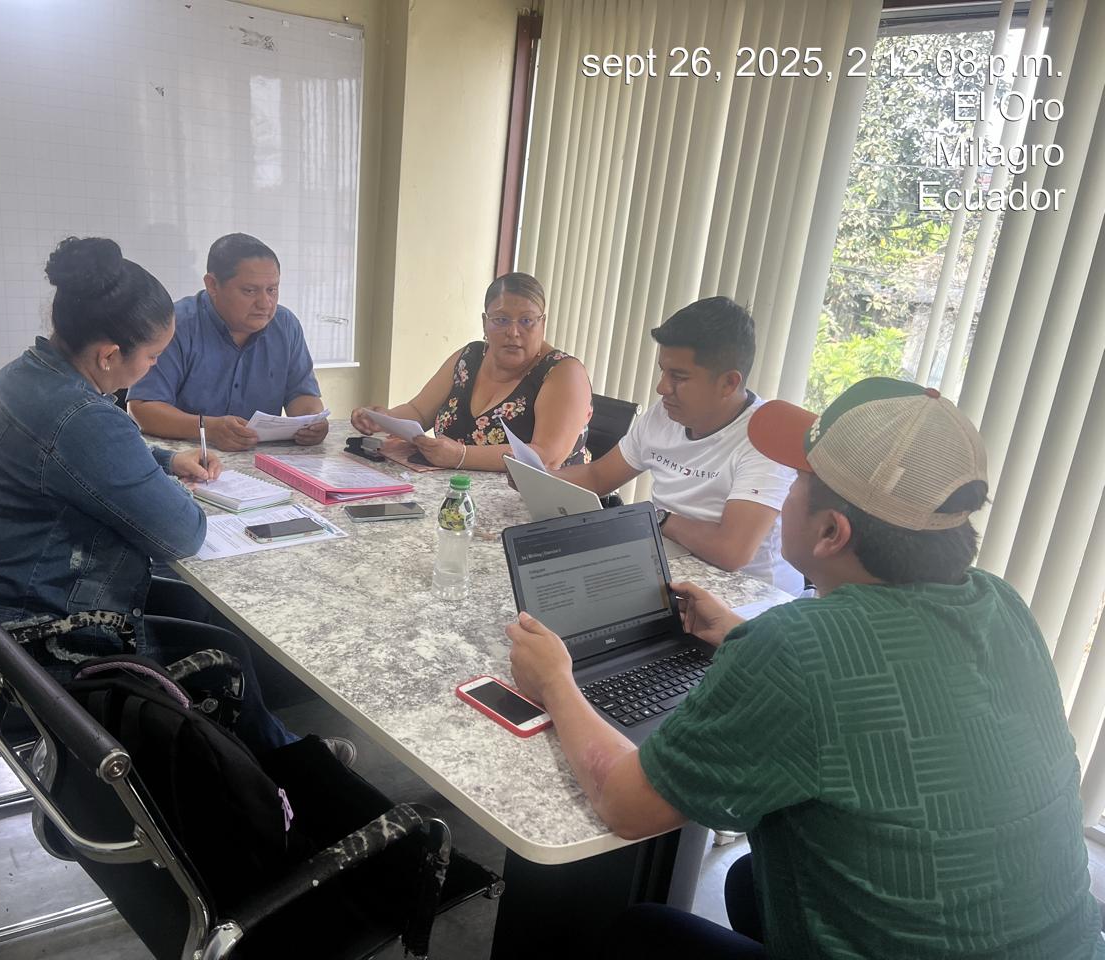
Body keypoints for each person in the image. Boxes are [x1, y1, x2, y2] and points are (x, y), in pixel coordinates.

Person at [506, 377, 1104, 960]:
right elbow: (893, 691)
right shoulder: (1003, 604)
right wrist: (741, 636)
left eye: (795, 481)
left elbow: (626, 805)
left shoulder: (798, 649)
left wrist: (556, 681)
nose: (782, 495)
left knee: (642, 933)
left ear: (831, 531)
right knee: (750, 885)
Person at [0, 236, 296, 754]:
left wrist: (164, 460)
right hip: (7, 655)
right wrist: (166, 483)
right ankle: (276, 765)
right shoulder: (82, 417)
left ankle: (254, 749)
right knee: (223, 652)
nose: (155, 366)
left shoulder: (28, 375)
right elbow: (183, 532)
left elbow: (66, 452)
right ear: (110, 355)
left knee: (194, 605)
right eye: (153, 356)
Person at [552, 297, 802, 594]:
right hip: (673, 569)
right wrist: (539, 477)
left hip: (750, 598)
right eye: (663, 371)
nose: (662, 387)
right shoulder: (664, 415)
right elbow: (597, 477)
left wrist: (658, 518)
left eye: (679, 377)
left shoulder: (766, 437)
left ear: (728, 383)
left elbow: (731, 551)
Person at [349, 272, 592, 471]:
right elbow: (418, 412)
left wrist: (461, 456)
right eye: (501, 320)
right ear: (485, 322)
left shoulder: (563, 372)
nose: (513, 332)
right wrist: (383, 419)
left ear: (543, 323)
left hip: (539, 506)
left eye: (527, 321)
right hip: (458, 493)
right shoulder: (470, 357)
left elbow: (546, 457)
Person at [127, 233, 328, 451]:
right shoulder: (176, 325)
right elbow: (142, 408)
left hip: (260, 458)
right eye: (250, 291)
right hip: (187, 459)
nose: (265, 303)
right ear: (212, 285)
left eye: (272, 290)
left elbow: (302, 394)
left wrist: (312, 422)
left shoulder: (285, 325)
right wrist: (208, 428)